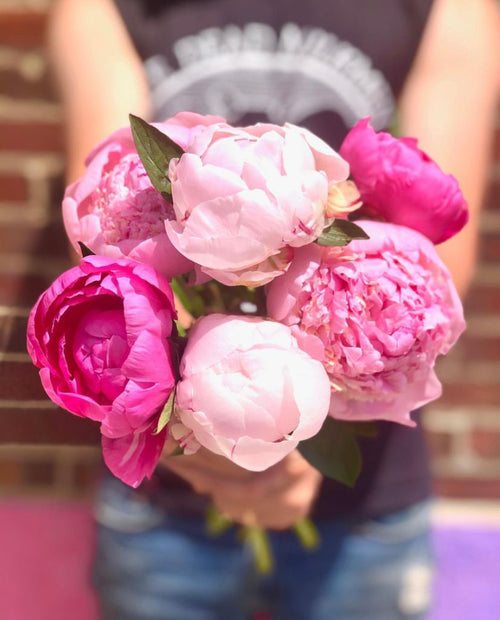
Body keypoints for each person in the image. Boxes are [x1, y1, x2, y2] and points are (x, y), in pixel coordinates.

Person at [48, 0, 499, 618]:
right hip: (165, 514)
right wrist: (211, 437)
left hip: (365, 510)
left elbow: (442, 257)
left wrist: (299, 427)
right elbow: (100, 239)